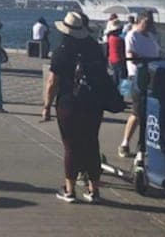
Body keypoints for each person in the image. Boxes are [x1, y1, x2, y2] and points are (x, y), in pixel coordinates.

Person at [42, 12, 107, 203]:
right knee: (91, 143)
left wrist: (46, 105)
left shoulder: (62, 50)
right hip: (93, 102)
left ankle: (69, 190)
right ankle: (94, 190)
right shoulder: (94, 48)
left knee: (71, 146)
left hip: (69, 102)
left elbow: (52, 81)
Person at [118, 11, 161, 159]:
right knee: (136, 113)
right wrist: (146, 59)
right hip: (138, 76)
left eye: (151, 22)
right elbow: (131, 56)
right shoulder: (132, 35)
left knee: (150, 113)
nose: (149, 25)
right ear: (140, 21)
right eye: (147, 22)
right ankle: (125, 143)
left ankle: (145, 145)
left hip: (152, 77)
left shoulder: (152, 37)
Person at [104, 15, 126, 88]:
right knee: (121, 77)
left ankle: (114, 89)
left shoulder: (110, 37)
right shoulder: (120, 39)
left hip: (112, 59)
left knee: (115, 76)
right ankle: (122, 92)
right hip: (119, 59)